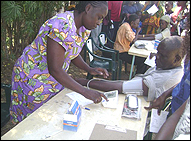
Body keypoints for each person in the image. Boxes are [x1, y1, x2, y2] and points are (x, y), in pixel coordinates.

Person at [9, 1, 109, 124]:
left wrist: (89, 69)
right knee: (31, 123)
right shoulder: (62, 24)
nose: (99, 23)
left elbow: (72, 53)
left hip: (51, 80)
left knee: (46, 121)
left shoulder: (83, 29)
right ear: (88, 8)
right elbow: (55, 69)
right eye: (99, 17)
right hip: (32, 79)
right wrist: (85, 91)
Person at [75, 36, 185, 102]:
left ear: (177, 59)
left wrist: (84, 82)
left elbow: (121, 86)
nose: (157, 57)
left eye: (162, 56)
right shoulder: (174, 68)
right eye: (158, 53)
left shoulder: (163, 79)